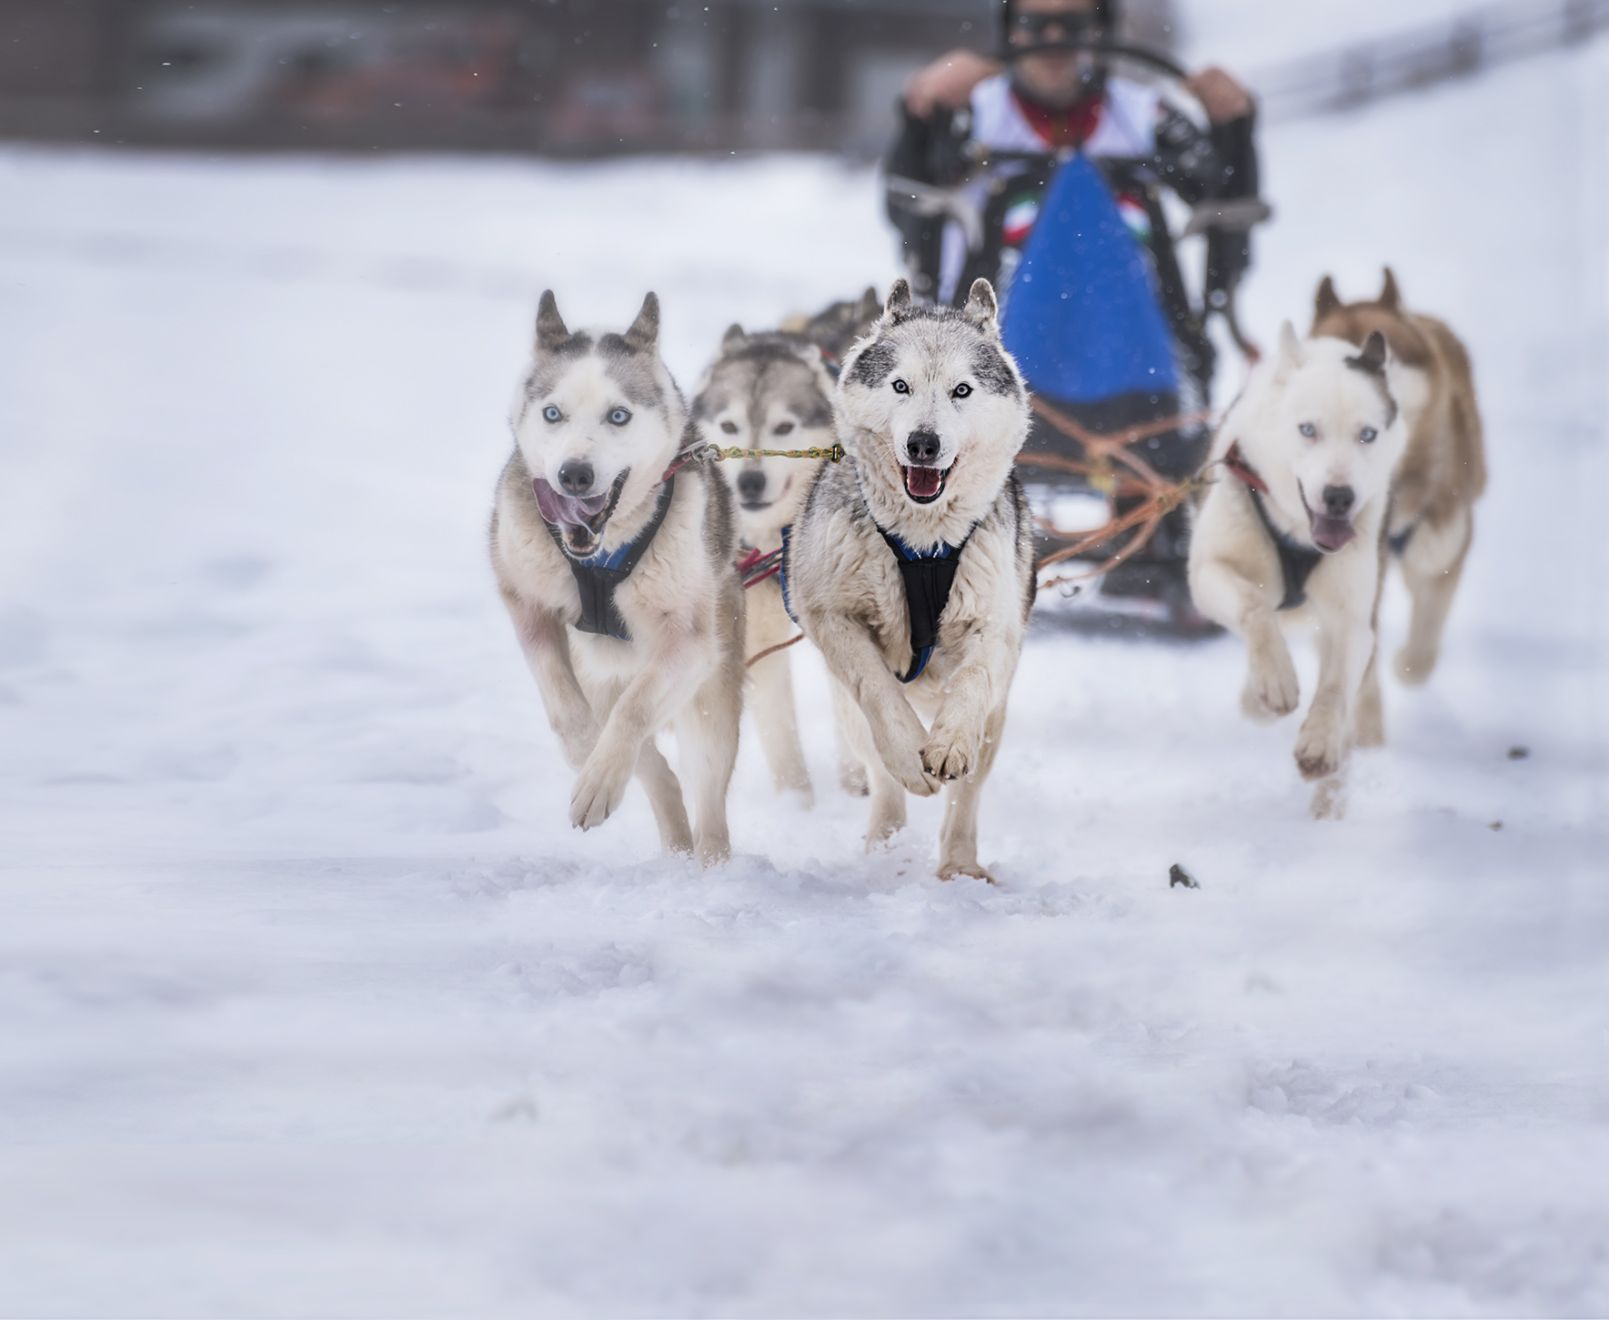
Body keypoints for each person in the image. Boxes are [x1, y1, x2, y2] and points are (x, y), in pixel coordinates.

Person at [884, 0, 1262, 616]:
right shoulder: (977, 116)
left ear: (1101, 34)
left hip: (1145, 337)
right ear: (1010, 31)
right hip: (999, 330)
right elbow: (908, 206)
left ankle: (1154, 526)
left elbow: (1223, 195)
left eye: (1073, 26)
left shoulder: (1144, 116)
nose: (1052, 41)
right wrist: (921, 115)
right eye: (1035, 26)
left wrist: (1233, 124)